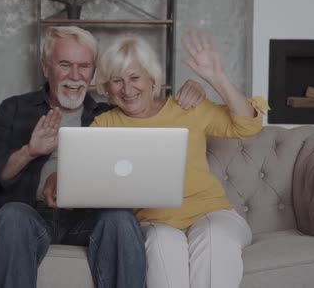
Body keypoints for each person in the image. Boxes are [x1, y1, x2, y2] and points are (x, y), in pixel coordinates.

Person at [0, 26, 207, 288]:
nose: (75, 75)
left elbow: (148, 103)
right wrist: (30, 151)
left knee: (119, 218)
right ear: (45, 68)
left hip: (88, 221)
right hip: (29, 214)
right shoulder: (14, 108)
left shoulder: (109, 114)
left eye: (83, 66)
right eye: (64, 64)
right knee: (11, 215)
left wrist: (191, 92)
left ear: (93, 72)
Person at [89, 30, 270, 288]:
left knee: (214, 237)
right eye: (116, 81)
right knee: (163, 246)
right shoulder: (103, 125)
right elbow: (90, 181)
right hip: (154, 223)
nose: (127, 89)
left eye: (135, 77)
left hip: (212, 213)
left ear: (152, 79)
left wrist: (217, 78)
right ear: (106, 88)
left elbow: (248, 127)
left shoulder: (187, 107)